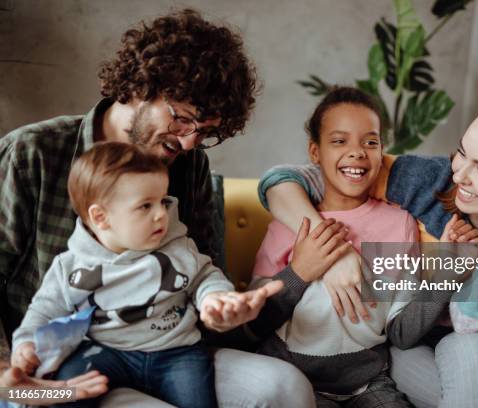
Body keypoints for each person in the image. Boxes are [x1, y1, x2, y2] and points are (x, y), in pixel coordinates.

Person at [0, 9, 317, 408]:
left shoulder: (189, 165)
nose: (188, 143)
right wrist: (8, 374)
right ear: (141, 86)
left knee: (284, 386)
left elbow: (201, 270)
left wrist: (216, 311)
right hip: (58, 366)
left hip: (169, 348)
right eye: (184, 119)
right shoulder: (33, 154)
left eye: (204, 133)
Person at [258, 98, 478, 408]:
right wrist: (334, 251)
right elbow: (286, 179)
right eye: (461, 153)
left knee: (469, 345)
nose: (460, 175)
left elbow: (475, 321)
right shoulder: (428, 178)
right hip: (411, 343)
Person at [250, 87, 478, 408]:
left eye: (370, 142)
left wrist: (450, 271)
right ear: (315, 152)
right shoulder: (290, 223)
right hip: (297, 382)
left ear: (382, 152)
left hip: (370, 383)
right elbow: (255, 325)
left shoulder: (399, 224)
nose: (357, 152)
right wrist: (300, 273)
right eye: (339, 141)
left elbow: (401, 333)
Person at [11, 142, 284, 407]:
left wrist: (215, 298)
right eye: (145, 206)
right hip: (105, 351)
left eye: (162, 202)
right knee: (68, 390)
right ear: (101, 217)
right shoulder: (70, 266)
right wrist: (26, 345)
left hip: (176, 353)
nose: (161, 215)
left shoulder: (178, 247)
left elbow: (205, 277)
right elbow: (43, 311)